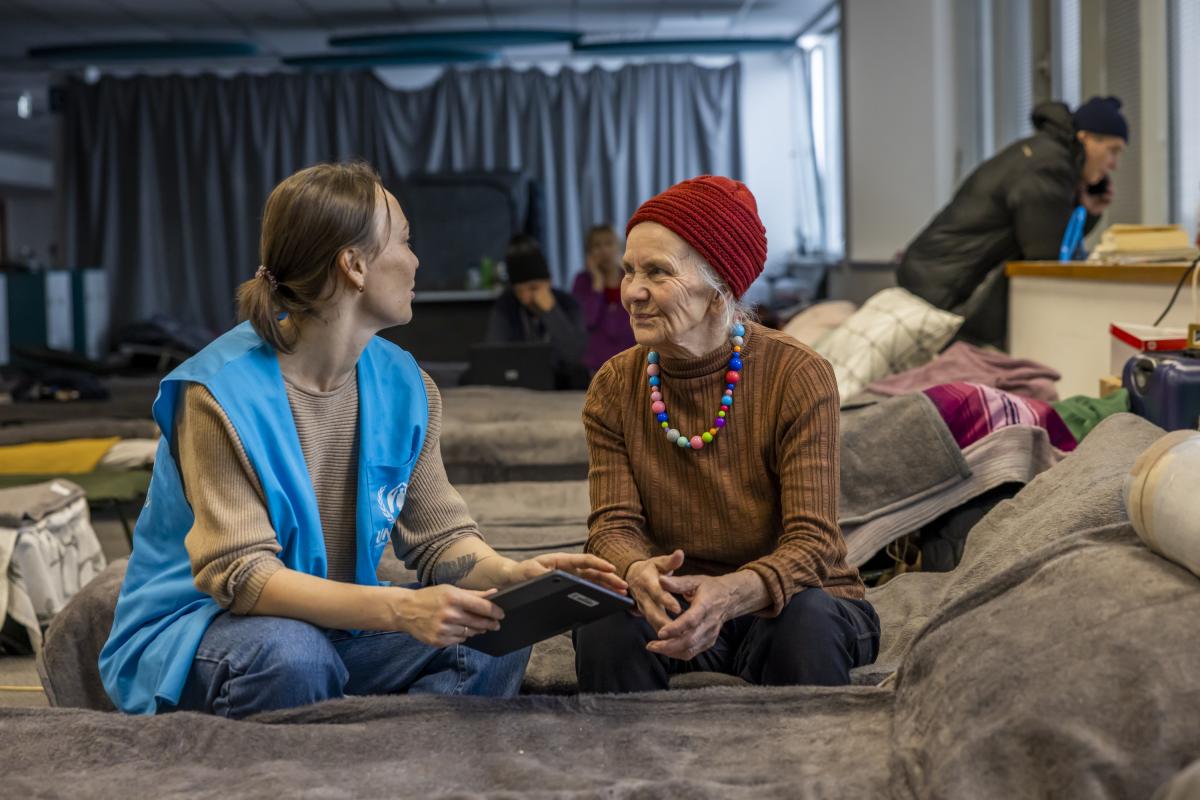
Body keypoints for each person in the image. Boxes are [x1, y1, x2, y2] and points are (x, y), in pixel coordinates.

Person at [99, 163, 625, 717]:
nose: (416, 260)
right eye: (404, 240)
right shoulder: (218, 394)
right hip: (203, 629)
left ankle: (384, 759)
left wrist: (512, 575)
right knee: (293, 658)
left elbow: (441, 539)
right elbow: (246, 578)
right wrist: (401, 609)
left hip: (330, 623)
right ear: (353, 265)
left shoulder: (403, 383)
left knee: (493, 633)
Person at [573, 175, 878, 693]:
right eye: (628, 271)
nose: (632, 293)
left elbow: (814, 542)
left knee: (805, 623)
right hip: (676, 603)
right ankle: (627, 769)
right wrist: (638, 570)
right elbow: (611, 527)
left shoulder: (796, 375)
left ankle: (813, 769)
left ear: (720, 290)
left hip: (790, 599)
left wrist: (734, 593)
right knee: (603, 621)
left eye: (657, 272)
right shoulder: (615, 384)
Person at [897, 96, 1128, 348]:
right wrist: (1084, 211)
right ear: (1086, 138)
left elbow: (1049, 240)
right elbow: (1048, 255)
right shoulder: (1047, 165)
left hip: (933, 277)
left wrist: (1087, 210)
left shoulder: (1041, 153)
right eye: (1112, 150)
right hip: (942, 290)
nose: (1114, 165)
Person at [484, 234, 590, 389]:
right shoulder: (506, 305)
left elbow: (574, 355)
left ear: (548, 282)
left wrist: (551, 312)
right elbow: (494, 356)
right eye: (521, 291)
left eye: (534, 288)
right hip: (518, 383)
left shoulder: (567, 304)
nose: (528, 297)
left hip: (561, 383)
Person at [572, 223, 636, 373]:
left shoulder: (632, 277)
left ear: (619, 247)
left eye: (609, 243)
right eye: (597, 246)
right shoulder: (582, 281)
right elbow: (586, 321)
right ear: (589, 252)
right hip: (595, 364)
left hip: (630, 359)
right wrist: (597, 283)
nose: (604, 250)